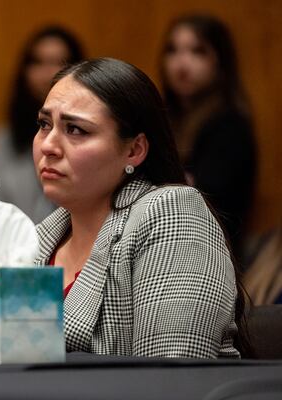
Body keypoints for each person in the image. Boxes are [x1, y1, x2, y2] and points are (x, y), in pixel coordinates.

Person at [33, 58, 246, 358]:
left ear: (134, 150)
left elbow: (171, 378)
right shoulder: (38, 239)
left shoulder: (172, 214)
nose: (48, 145)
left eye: (76, 129)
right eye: (44, 124)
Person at [160, 14, 257, 261]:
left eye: (197, 51)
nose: (182, 63)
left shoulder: (230, 125)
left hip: (209, 256)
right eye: (173, 50)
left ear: (220, 62)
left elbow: (203, 200)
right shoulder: (163, 118)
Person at [0, 26, 84, 223]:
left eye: (58, 63)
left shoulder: (88, 138)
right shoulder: (4, 140)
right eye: (38, 62)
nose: (47, 73)